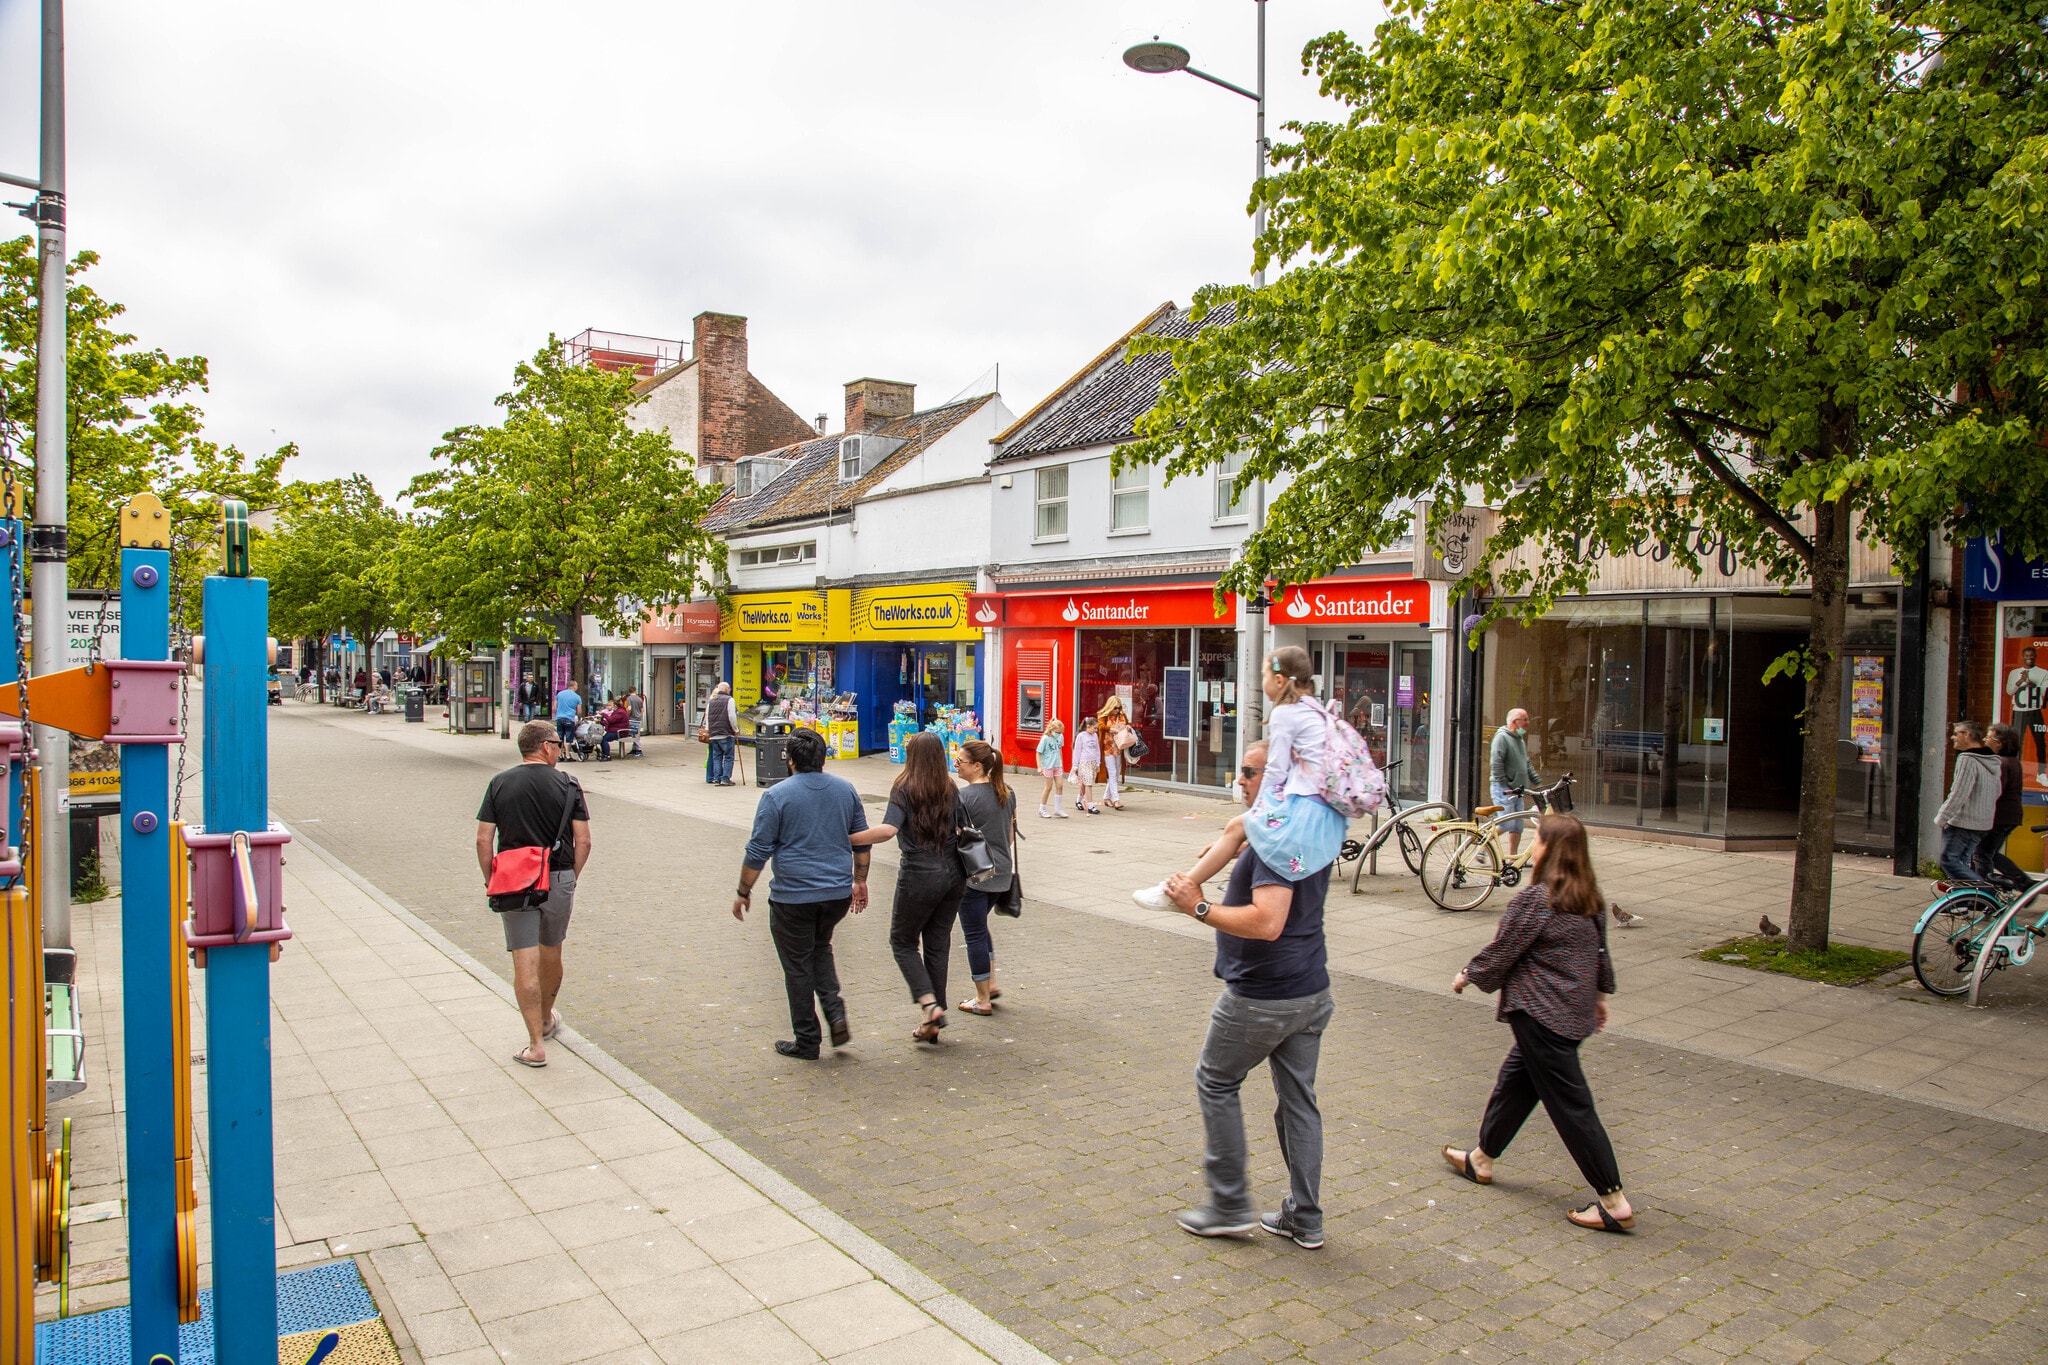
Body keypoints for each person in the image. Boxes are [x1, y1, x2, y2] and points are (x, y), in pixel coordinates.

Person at [1158, 741, 1335, 1249]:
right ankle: (1306, 1216)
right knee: (1298, 1102)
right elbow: (1246, 834)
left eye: (1250, 772)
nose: (1240, 780)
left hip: (1264, 995)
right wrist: (1239, 848)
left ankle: (1230, 1203)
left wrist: (1199, 907)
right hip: (1310, 990)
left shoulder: (1278, 842)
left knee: (1215, 1080)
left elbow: (1268, 920)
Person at [1444, 812, 1634, 1234]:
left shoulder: (1536, 901)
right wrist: (1599, 999)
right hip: (1571, 1013)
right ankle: (1481, 1159)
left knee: (1572, 1106)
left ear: (1552, 850)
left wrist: (1468, 975)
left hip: (1541, 1016)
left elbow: (1504, 949)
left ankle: (1612, 1200)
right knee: (1516, 1081)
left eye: (1539, 840)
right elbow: (1599, 954)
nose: (1535, 846)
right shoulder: (1590, 899)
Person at [1133, 647, 1348, 909]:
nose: (1261, 684)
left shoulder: (1285, 713)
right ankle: (1182, 886)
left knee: (1237, 827)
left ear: (1279, 681)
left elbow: (1276, 770)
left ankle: (1177, 892)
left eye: (1263, 676)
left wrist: (1261, 812)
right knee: (1240, 830)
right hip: (1325, 812)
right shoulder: (1315, 709)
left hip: (1305, 807)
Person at [733, 728, 871, 1059]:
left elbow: (758, 850)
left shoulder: (776, 796)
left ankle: (807, 1040)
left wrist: (743, 891)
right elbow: (862, 840)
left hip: (793, 897)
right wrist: (860, 879)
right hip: (835, 894)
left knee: (797, 966)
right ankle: (835, 1013)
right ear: (823, 758)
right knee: (820, 949)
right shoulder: (845, 790)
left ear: (790, 760)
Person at [475, 720, 592, 1068]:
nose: (560, 749)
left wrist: (490, 878)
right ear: (544, 747)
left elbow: (483, 839)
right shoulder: (569, 784)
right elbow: (583, 840)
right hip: (557, 878)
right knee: (552, 950)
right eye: (557, 743)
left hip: (514, 880)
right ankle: (546, 1017)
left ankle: (535, 1045)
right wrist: (570, 878)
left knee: (523, 959)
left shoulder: (499, 783)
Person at [854, 732, 968, 1043]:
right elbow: (962, 829)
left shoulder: (904, 787)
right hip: (954, 874)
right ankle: (933, 1018)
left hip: (919, 874)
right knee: (937, 943)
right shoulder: (950, 787)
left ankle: (929, 1004)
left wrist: (848, 838)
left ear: (912, 755)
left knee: (902, 942)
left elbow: (889, 830)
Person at [953, 740, 1015, 1016]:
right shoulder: (1007, 792)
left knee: (974, 934)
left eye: (960, 761)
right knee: (981, 927)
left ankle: (981, 1000)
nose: (956, 765)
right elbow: (1010, 836)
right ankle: (989, 984)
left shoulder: (964, 798)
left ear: (976, 766)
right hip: (1001, 873)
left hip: (975, 875)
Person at [1937, 719, 2001, 884]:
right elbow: (1997, 791)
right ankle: (1964, 903)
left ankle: (1988, 893)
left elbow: (1959, 792)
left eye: (1956, 734)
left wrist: (1942, 817)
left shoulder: (1967, 759)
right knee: (1963, 862)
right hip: (1982, 823)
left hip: (1963, 823)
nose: (1953, 738)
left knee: (1948, 860)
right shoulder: (1992, 760)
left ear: (1967, 735)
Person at [1978, 722, 2030, 890]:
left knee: (1982, 853)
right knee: (1988, 852)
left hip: (2000, 816)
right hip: (2009, 816)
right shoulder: (2012, 761)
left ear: (1999, 743)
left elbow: (1995, 791)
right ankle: (2019, 882)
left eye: (1988, 737)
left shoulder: (2001, 763)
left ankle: (1986, 892)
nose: (1985, 740)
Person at [1490, 708, 1539, 856]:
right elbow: (1496, 761)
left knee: (1517, 825)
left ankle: (1512, 858)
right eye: (1525, 720)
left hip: (1517, 789)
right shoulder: (1502, 738)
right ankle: (1482, 845)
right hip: (1504, 788)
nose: (1528, 723)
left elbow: (1526, 763)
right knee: (1506, 823)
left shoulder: (1519, 740)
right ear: (1514, 722)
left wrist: (1536, 780)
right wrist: (1504, 782)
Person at [2006, 646, 2048, 786]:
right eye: (2026, 655)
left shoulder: (2043, 673)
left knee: (2040, 743)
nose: (2029, 657)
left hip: (2035, 710)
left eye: (2031, 655)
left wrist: (2029, 682)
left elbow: (2044, 692)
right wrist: (2020, 681)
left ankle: (2041, 773)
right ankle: (2016, 774)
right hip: (2019, 711)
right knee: (2018, 743)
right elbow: (2009, 691)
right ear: (2022, 657)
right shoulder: (2014, 672)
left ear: (2035, 656)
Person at [1098, 698, 1132, 810]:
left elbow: (1128, 725)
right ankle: (1116, 799)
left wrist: (1127, 727)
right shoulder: (1103, 715)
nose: (1117, 710)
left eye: (1119, 708)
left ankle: (1106, 797)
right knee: (1112, 773)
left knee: (1116, 773)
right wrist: (1112, 729)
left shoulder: (1122, 716)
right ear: (1110, 706)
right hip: (1107, 748)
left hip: (1119, 747)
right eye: (1115, 708)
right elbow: (1101, 727)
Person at [704, 681, 739, 785]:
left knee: (717, 757)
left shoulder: (711, 701)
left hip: (714, 733)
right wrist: (735, 730)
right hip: (726, 733)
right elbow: (732, 717)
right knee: (728, 757)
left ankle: (717, 778)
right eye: (729, 689)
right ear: (727, 690)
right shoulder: (730, 700)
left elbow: (708, 717)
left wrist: (708, 730)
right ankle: (725, 778)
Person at [1036, 720, 1068, 818]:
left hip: (1057, 764)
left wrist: (1061, 762)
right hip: (1048, 765)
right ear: (1052, 729)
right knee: (1048, 787)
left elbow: (1060, 750)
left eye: (1061, 732)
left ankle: (1058, 809)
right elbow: (1038, 752)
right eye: (1058, 732)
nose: (1060, 734)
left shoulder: (1060, 737)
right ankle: (1042, 809)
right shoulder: (1045, 739)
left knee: (1060, 785)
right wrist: (1039, 766)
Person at [1071, 717, 1103, 815]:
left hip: (1092, 763)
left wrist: (1098, 763)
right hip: (1084, 763)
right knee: (1088, 784)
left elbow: (1097, 750)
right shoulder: (1081, 736)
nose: (1096, 730)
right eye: (1095, 728)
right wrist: (1075, 765)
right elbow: (1077, 751)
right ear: (1088, 727)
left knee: (1084, 785)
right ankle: (1090, 806)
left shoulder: (1095, 736)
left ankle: (1078, 801)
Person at [553, 679, 584, 759]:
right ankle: (567, 755)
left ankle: (559, 755)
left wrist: (558, 714)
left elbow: (554, 707)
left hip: (559, 718)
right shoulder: (577, 697)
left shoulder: (560, 694)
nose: (577, 687)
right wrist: (579, 719)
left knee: (560, 737)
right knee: (569, 737)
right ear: (573, 686)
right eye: (576, 686)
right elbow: (579, 711)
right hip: (569, 719)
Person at [598, 695, 631, 761]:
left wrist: (604, 714)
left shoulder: (620, 712)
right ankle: (605, 754)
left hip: (620, 732)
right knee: (603, 739)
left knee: (604, 739)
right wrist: (601, 722)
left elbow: (611, 720)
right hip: (616, 730)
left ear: (615, 705)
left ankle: (607, 755)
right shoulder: (618, 711)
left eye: (612, 705)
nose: (611, 707)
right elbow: (611, 721)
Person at [623, 686, 646, 755]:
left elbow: (629, 708)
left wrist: (627, 715)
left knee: (634, 735)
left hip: (632, 719)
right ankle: (634, 749)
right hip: (638, 718)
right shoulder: (639, 699)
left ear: (629, 691)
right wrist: (640, 716)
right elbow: (642, 710)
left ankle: (638, 749)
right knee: (635, 734)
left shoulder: (629, 698)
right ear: (635, 691)